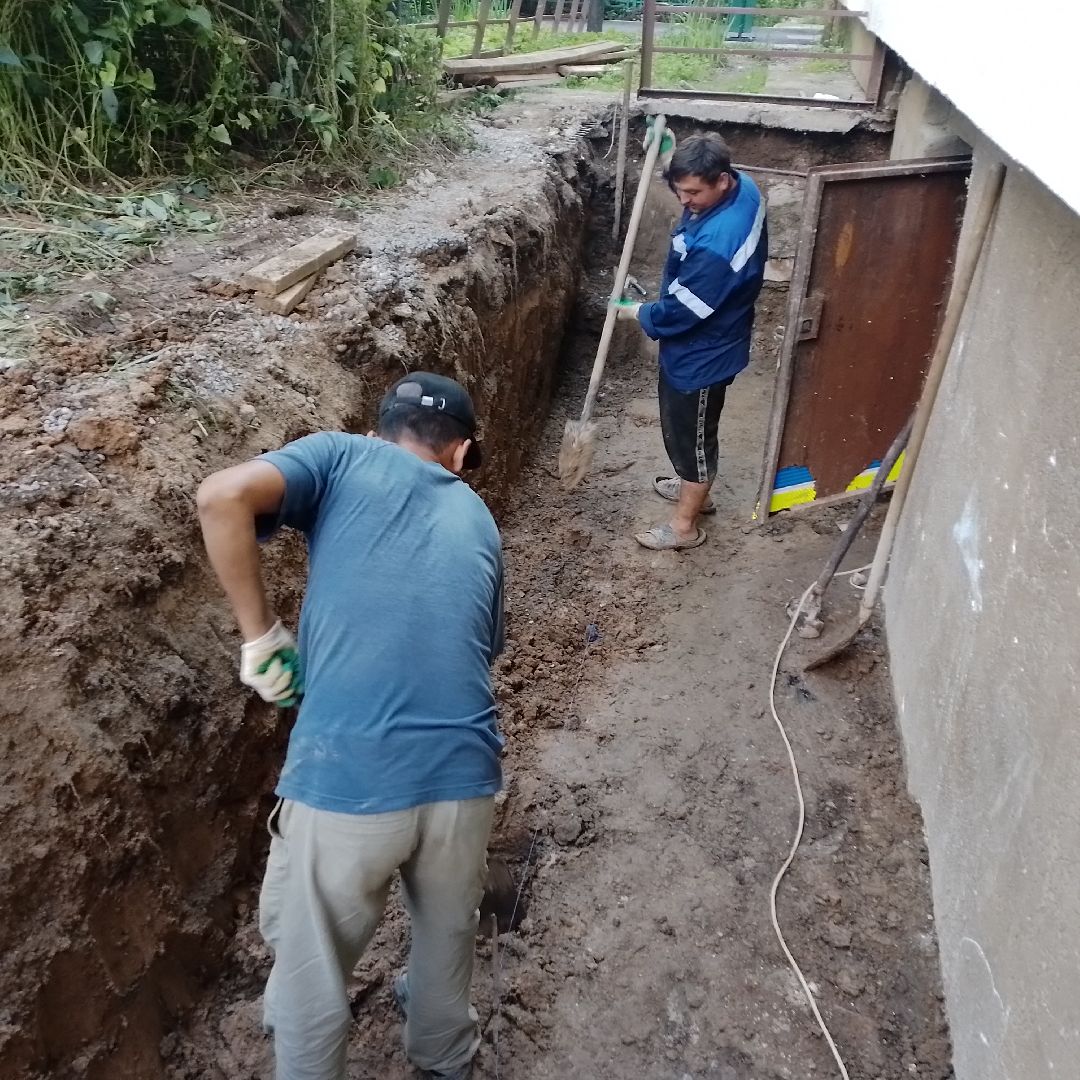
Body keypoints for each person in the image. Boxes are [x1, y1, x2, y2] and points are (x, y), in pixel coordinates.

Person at [196, 372, 505, 1080]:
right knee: (447, 934)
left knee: (310, 978)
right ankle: (444, 1054)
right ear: (460, 454)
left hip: (349, 777)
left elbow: (221, 497)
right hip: (466, 777)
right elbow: (479, 649)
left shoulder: (342, 455)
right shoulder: (480, 518)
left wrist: (261, 637)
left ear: (376, 431)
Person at [615, 131, 767, 550]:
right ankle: (694, 489)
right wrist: (670, 152)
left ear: (721, 181)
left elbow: (682, 311)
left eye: (693, 193)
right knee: (687, 435)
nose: (685, 200)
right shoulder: (744, 186)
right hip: (711, 335)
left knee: (693, 440)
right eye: (680, 190)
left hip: (704, 352)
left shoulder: (720, 241)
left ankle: (685, 526)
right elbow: (694, 179)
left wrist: (636, 311)